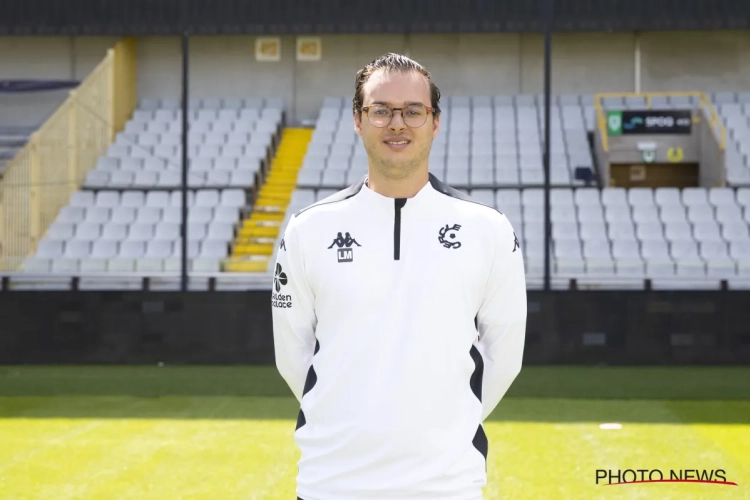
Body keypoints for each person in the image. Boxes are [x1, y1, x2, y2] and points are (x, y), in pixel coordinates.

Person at [272, 53, 527, 500]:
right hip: (331, 483)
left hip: (446, 486)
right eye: (380, 110)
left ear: (435, 122)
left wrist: (444, 427)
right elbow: (292, 355)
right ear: (357, 120)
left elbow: (504, 356)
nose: (397, 123)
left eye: (413, 111)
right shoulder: (308, 230)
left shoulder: (487, 229)